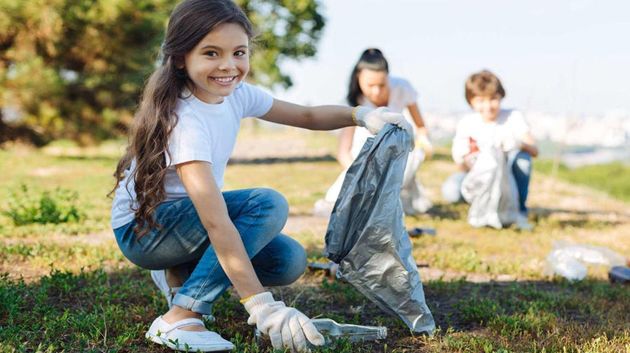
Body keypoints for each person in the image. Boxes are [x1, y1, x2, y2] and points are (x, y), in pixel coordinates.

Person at [109, 1, 412, 352]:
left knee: (288, 260)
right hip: (144, 232)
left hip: (181, 225)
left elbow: (309, 116)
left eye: (239, 52)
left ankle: (179, 272)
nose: (228, 65)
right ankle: (181, 314)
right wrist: (261, 306)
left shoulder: (236, 95)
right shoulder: (186, 120)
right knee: (266, 204)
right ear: (180, 58)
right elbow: (216, 222)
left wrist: (361, 115)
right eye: (211, 53)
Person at [313, 48, 433, 217]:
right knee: (334, 203)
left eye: (382, 85)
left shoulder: (402, 88)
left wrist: (424, 142)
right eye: (370, 85)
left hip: (397, 157)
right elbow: (343, 152)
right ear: (358, 78)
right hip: (364, 162)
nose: (376, 91)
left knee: (410, 156)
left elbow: (421, 127)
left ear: (388, 78)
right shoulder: (353, 102)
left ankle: (390, 198)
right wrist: (361, 175)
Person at [441, 69, 538, 230]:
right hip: (478, 178)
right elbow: (461, 167)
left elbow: (535, 150)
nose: (488, 106)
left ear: (501, 97)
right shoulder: (467, 124)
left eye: (493, 99)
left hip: (508, 177)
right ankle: (482, 206)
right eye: (481, 100)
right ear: (471, 101)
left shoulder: (513, 117)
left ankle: (518, 209)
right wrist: (469, 159)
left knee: (523, 159)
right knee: (451, 191)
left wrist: (518, 144)